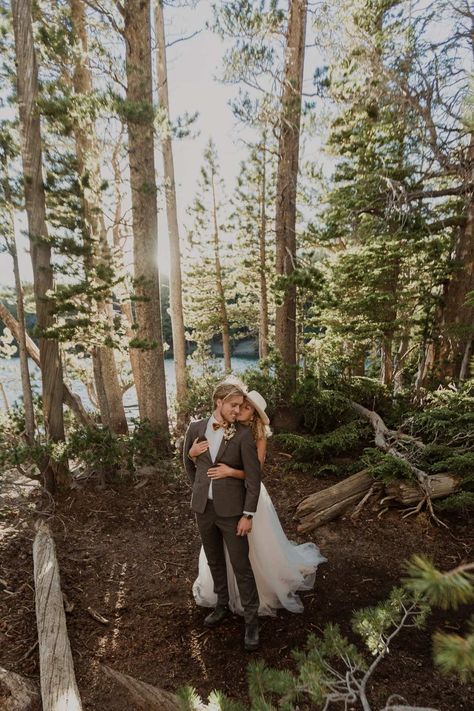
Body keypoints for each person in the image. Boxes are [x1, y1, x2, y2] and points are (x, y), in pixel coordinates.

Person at [191, 388, 327, 617]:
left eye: (245, 408)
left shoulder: (256, 435)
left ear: (253, 414)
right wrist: (193, 457)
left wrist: (230, 472)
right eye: (239, 405)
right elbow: (204, 462)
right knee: (220, 551)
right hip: (219, 498)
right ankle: (224, 596)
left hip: (246, 494)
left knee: (251, 549)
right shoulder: (227, 427)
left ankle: (256, 596)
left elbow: (255, 474)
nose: (240, 410)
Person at [183, 381, 262, 651]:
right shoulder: (195, 428)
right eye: (233, 405)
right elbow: (186, 462)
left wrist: (247, 515)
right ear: (218, 402)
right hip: (203, 509)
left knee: (241, 566)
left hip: (232, 512)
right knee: (215, 560)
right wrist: (200, 487)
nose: (238, 410)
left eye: (240, 406)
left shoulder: (242, 435)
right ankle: (222, 605)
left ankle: (252, 621)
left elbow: (253, 478)